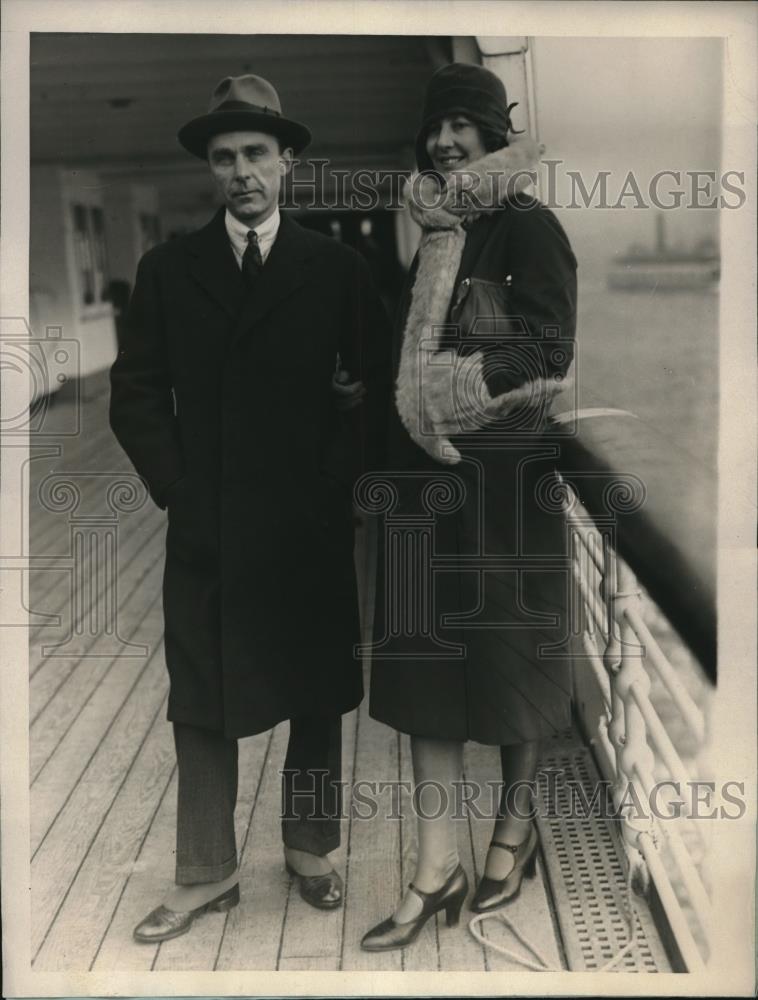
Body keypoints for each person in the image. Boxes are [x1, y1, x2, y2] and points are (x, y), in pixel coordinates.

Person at [109, 73, 390, 942]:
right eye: (224, 157)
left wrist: (336, 479)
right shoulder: (168, 269)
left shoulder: (337, 267)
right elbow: (136, 394)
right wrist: (181, 486)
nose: (241, 172)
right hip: (210, 525)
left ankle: (310, 851)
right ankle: (206, 874)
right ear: (210, 169)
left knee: (311, 688)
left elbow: (377, 388)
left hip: (303, 523)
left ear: (289, 163)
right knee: (201, 697)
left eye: (256, 154)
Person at [361, 62, 577, 951]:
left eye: (462, 126)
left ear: (495, 134)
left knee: (511, 671)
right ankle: (433, 871)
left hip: (503, 487)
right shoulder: (428, 227)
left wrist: (448, 386)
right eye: (436, 128)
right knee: (422, 683)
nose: (445, 143)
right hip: (422, 490)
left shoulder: (528, 226)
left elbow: (550, 350)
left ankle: (514, 835)